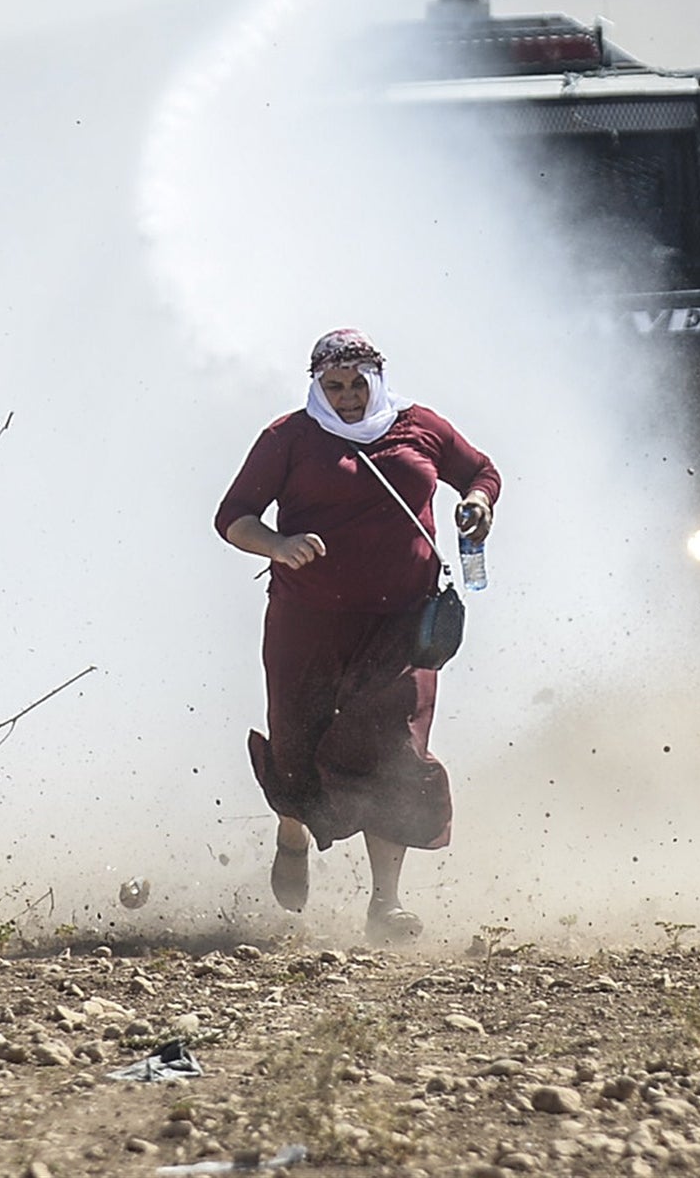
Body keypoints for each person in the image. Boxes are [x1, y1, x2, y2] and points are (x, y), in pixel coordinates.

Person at [215, 328, 501, 943]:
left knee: (390, 747)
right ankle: (293, 832)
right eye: (333, 385)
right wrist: (279, 546)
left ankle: (386, 904)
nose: (346, 397)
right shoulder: (288, 438)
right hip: (307, 623)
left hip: (402, 625)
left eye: (357, 384)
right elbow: (233, 517)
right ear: (317, 385)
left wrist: (477, 503)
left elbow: (478, 471)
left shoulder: (419, 426)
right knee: (300, 742)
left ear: (377, 378)